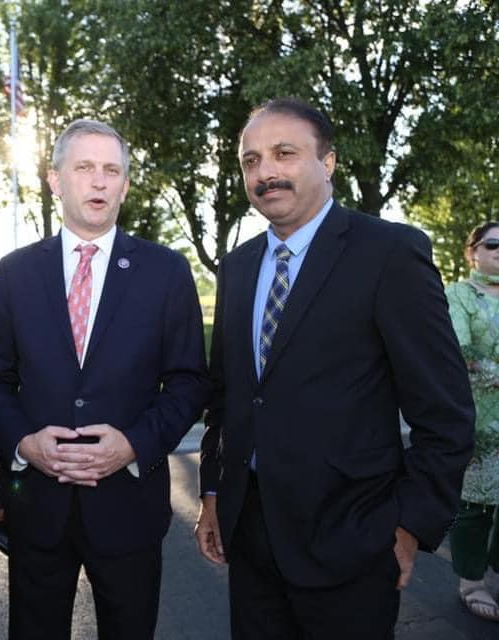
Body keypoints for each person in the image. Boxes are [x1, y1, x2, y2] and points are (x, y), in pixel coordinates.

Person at [196, 97, 475, 639]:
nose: (266, 171)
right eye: (251, 160)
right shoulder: (237, 268)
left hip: (354, 540)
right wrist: (211, 494)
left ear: (327, 163)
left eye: (284, 153)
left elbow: (445, 412)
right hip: (250, 537)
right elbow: (227, 399)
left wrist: (409, 526)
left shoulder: (389, 253)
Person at [0, 118, 211, 639]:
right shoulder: (15, 273)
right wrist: (24, 443)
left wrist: (133, 444)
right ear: (56, 180)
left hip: (128, 510)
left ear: (126, 185)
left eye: (112, 170)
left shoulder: (166, 272)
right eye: (85, 168)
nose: (99, 181)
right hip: (39, 509)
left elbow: (189, 382)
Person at [445, 221, 499, 622]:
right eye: (494, 244)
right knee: (476, 504)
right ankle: (471, 582)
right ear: (473, 251)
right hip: (478, 417)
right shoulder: (458, 295)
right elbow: (460, 354)